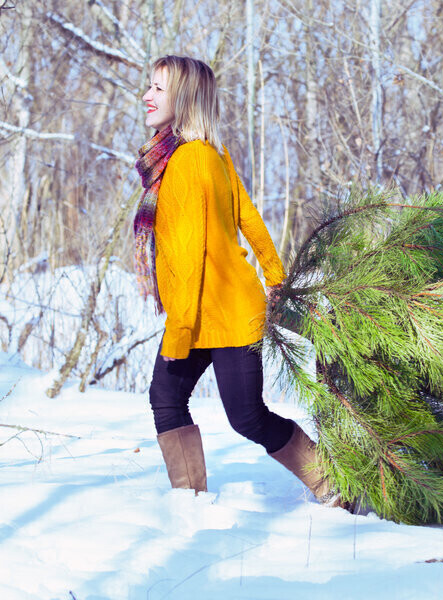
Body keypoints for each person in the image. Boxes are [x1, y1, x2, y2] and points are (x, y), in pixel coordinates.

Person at [133, 55, 338, 505]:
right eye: (149, 86)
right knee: (169, 397)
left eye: (158, 89)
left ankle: (334, 486)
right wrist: (275, 276)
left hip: (220, 310)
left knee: (245, 416)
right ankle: (189, 502)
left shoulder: (190, 160)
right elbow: (250, 217)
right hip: (212, 307)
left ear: (185, 98)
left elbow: (189, 257)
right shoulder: (209, 152)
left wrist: (179, 329)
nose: (147, 96)